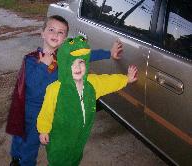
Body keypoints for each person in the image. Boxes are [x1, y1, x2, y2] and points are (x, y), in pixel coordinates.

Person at [6, 15, 123, 166]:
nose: (56, 34)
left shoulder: (63, 58)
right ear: (42, 33)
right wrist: (43, 66)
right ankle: (18, 160)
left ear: (65, 38)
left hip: (51, 109)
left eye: (61, 32)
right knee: (25, 139)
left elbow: (86, 55)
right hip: (32, 112)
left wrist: (109, 53)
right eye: (52, 30)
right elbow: (32, 86)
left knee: (34, 140)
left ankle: (20, 158)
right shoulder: (31, 59)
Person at [37, 35, 137, 166]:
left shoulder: (92, 83)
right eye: (72, 63)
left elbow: (108, 81)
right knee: (58, 159)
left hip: (81, 133)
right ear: (65, 65)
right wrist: (43, 129)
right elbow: (46, 111)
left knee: (75, 155)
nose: (77, 68)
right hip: (60, 135)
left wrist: (126, 79)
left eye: (81, 62)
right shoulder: (55, 89)